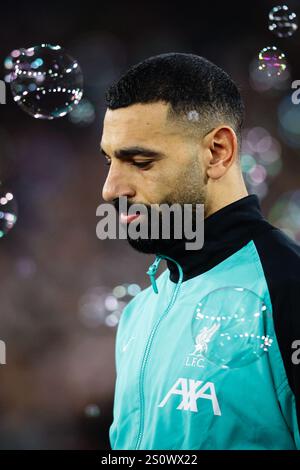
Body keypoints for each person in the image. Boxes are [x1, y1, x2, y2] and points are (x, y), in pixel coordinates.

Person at [100, 52, 300, 450]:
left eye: (139, 161)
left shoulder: (287, 291)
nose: (110, 189)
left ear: (217, 152)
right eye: (109, 160)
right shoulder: (140, 311)